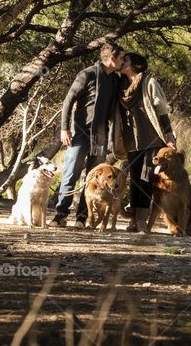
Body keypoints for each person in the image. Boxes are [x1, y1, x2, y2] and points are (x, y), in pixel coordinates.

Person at [48, 42, 124, 228]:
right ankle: (60, 215)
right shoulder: (87, 74)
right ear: (112, 58)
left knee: (92, 178)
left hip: (101, 135)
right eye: (121, 58)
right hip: (79, 133)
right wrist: (65, 128)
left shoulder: (115, 79)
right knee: (71, 174)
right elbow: (68, 101)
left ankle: (81, 217)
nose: (123, 61)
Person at [113, 52, 177, 232]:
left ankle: (141, 220)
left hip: (151, 138)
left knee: (146, 177)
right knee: (135, 178)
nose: (122, 62)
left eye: (125, 60)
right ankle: (134, 219)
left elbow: (162, 109)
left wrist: (169, 135)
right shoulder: (120, 84)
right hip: (130, 139)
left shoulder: (149, 82)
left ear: (135, 66)